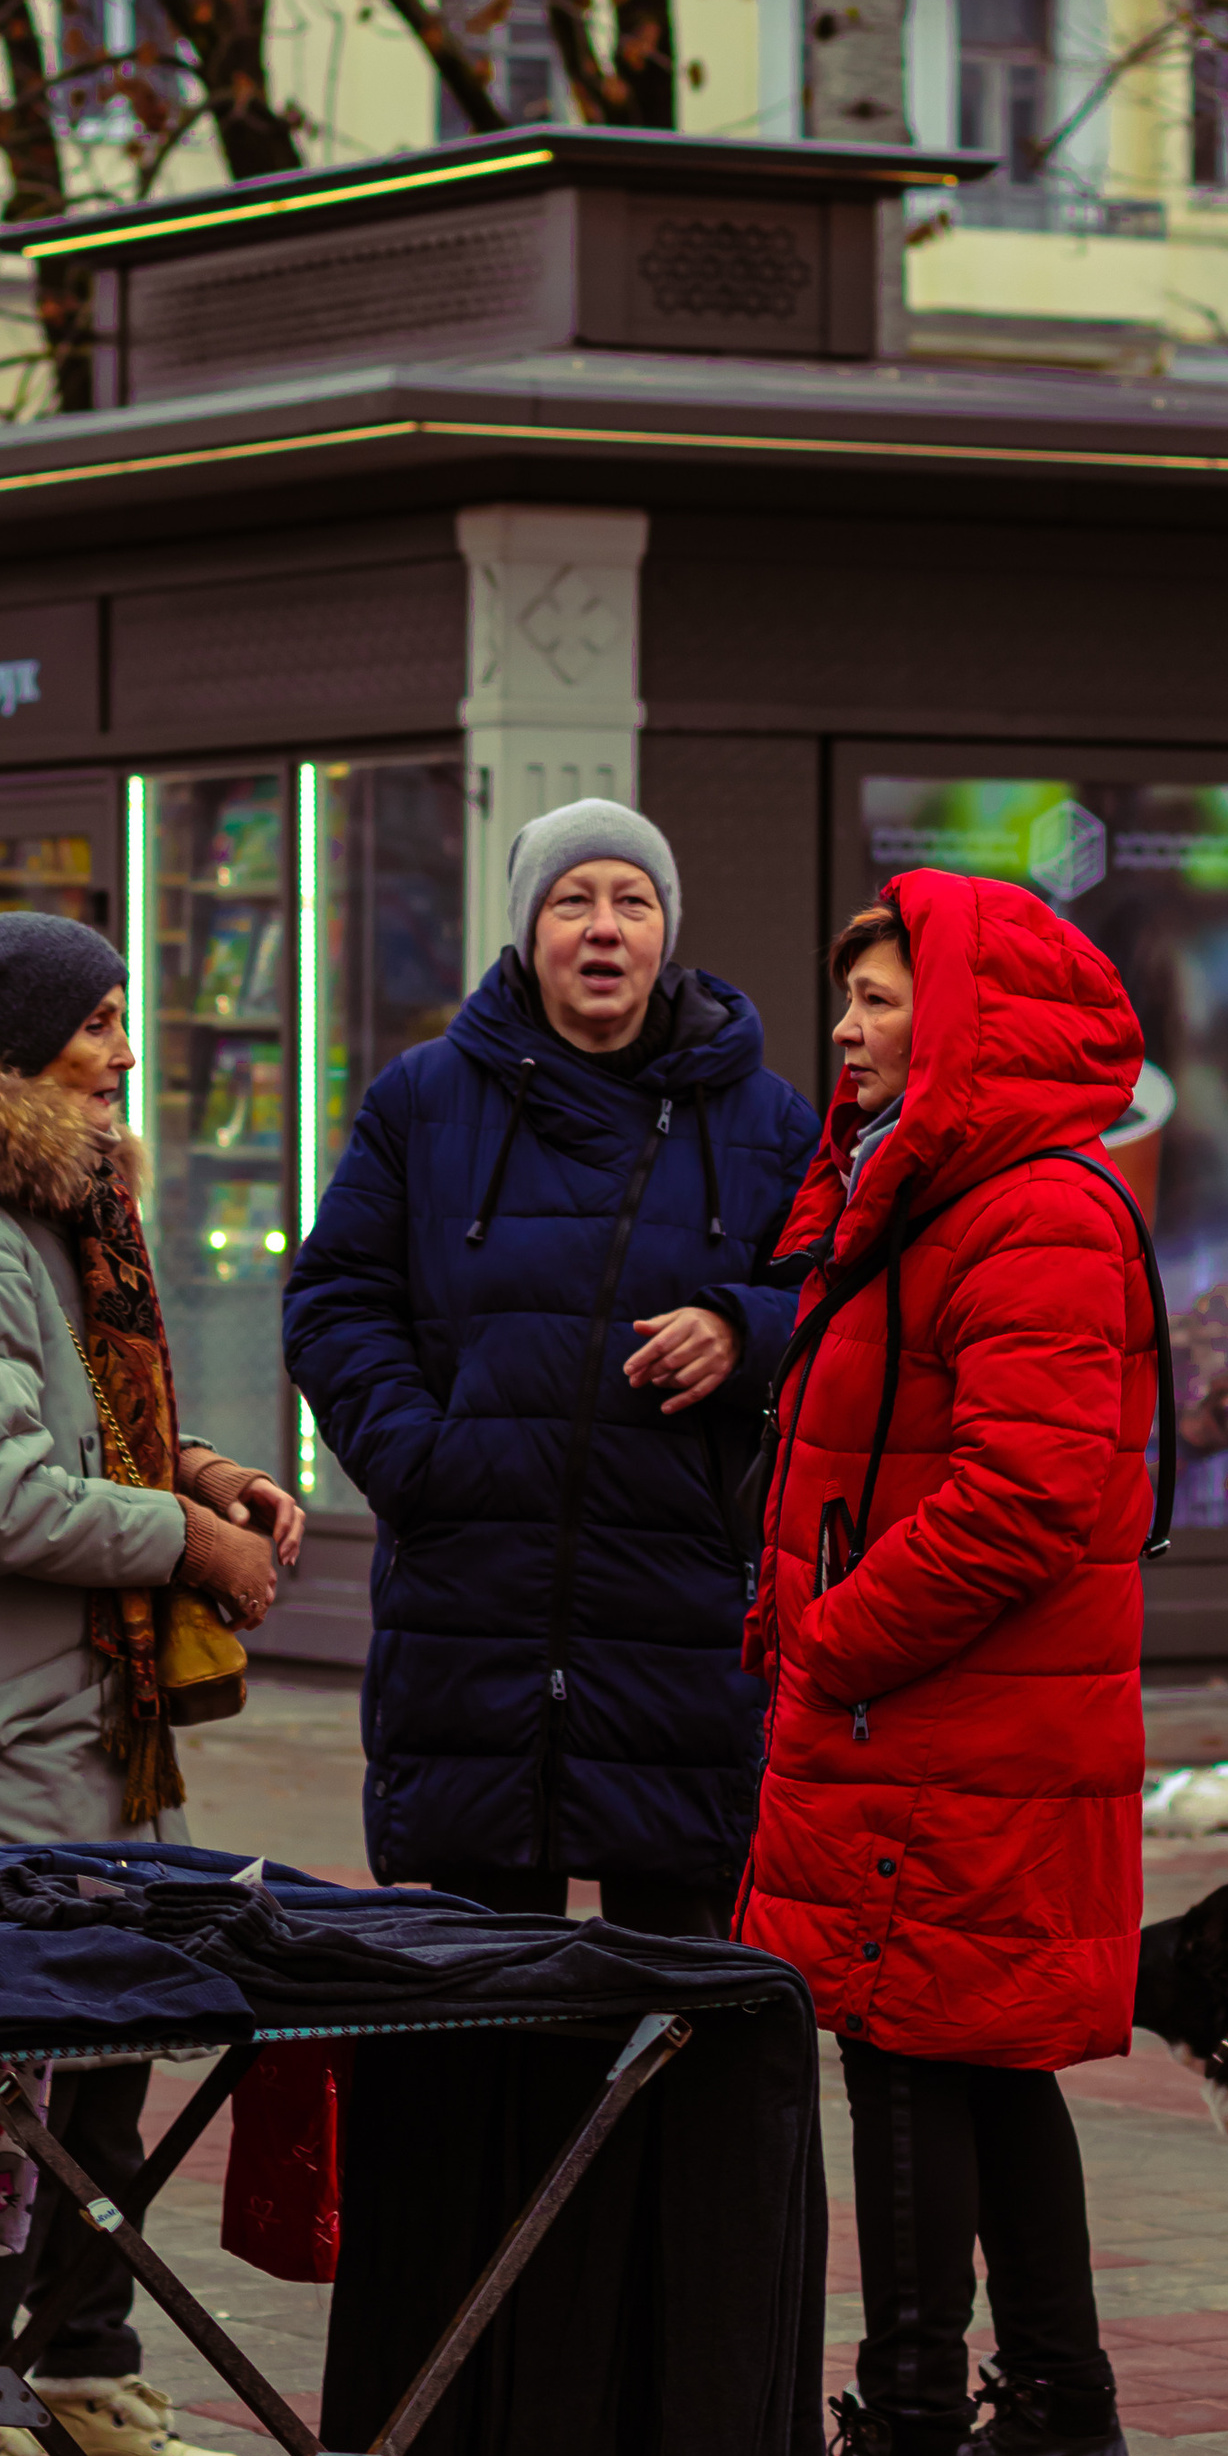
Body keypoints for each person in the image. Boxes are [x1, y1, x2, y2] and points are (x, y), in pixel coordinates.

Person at [0, 908, 304, 2456]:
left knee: (103, 2063)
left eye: (125, 1016)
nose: (125, 1051)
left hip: (88, 1721)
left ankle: (83, 2373)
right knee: (5, 2086)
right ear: (15, 1055)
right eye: (98, 1023)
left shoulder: (51, 1218)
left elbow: (85, 1434)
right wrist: (187, 1538)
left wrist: (196, 1473)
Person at [739, 869, 1159, 2456]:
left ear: (975, 1019)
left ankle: (913, 2453)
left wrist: (837, 1636)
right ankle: (1058, 2429)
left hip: (941, 1714)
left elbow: (1026, 1489)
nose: (845, 1029)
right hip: (943, 1712)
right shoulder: (943, 1191)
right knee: (980, 2049)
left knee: (907, 2038)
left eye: (885, 999)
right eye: (844, 997)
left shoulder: (1027, 1208)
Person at [284, 798, 822, 1930]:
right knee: (483, 1983)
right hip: (471, 1594)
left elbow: (831, 1304)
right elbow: (336, 1297)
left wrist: (742, 1328)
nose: (603, 927)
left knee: (675, 1977)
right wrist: (417, 1457)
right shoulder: (423, 1100)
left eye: (632, 899)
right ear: (529, 927)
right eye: (572, 899)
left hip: (680, 1597)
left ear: (665, 930)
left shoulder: (769, 1120)